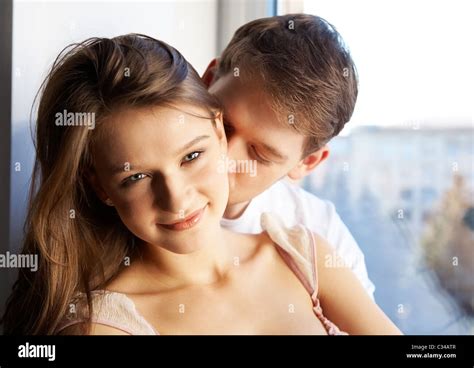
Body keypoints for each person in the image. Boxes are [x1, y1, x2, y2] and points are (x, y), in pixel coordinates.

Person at [1, 34, 400, 335]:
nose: (177, 199)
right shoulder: (102, 327)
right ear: (102, 187)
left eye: (192, 157)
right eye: (135, 177)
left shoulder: (306, 254)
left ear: (216, 133)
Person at [202, 14, 375, 298]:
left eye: (259, 154)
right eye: (223, 123)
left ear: (307, 162)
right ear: (207, 81)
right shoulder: (129, 194)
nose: (224, 158)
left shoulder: (323, 238)